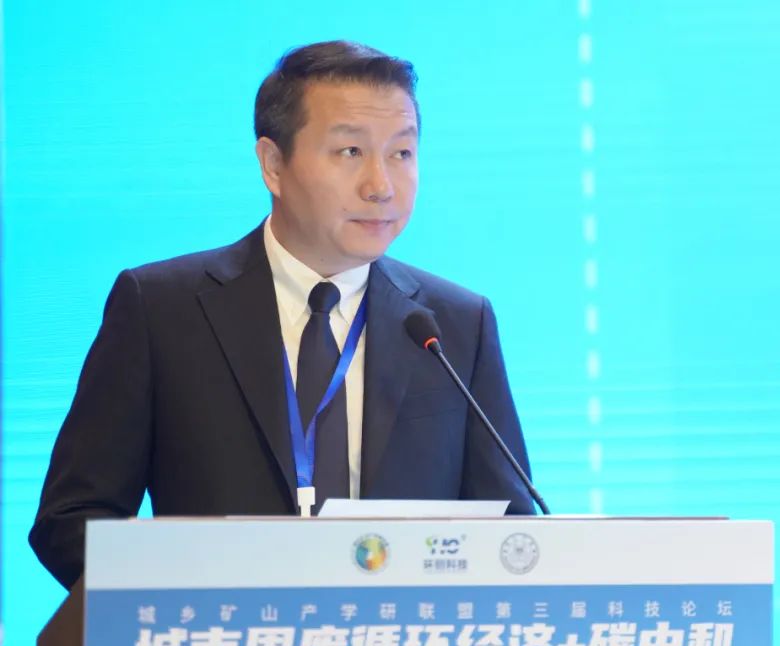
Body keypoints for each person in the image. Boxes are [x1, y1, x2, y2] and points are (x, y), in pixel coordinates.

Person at [29, 40, 535, 590]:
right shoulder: (161, 309)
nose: (381, 186)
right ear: (273, 165)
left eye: (402, 153)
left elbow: (512, 533)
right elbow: (71, 520)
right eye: (350, 151)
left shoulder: (455, 324)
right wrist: (188, 605)